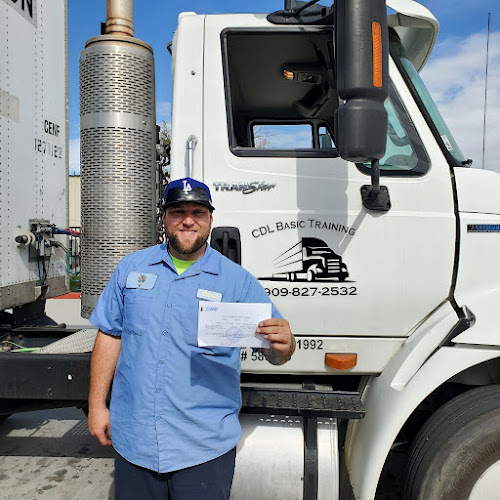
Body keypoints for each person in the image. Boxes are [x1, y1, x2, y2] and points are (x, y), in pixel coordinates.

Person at [87, 177, 295, 500]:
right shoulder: (131, 268)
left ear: (210, 219)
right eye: (178, 211)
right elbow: (109, 335)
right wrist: (97, 406)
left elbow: (276, 351)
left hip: (203, 451)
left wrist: (285, 344)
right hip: (135, 444)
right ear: (164, 218)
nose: (187, 220)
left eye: (198, 212)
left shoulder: (237, 282)